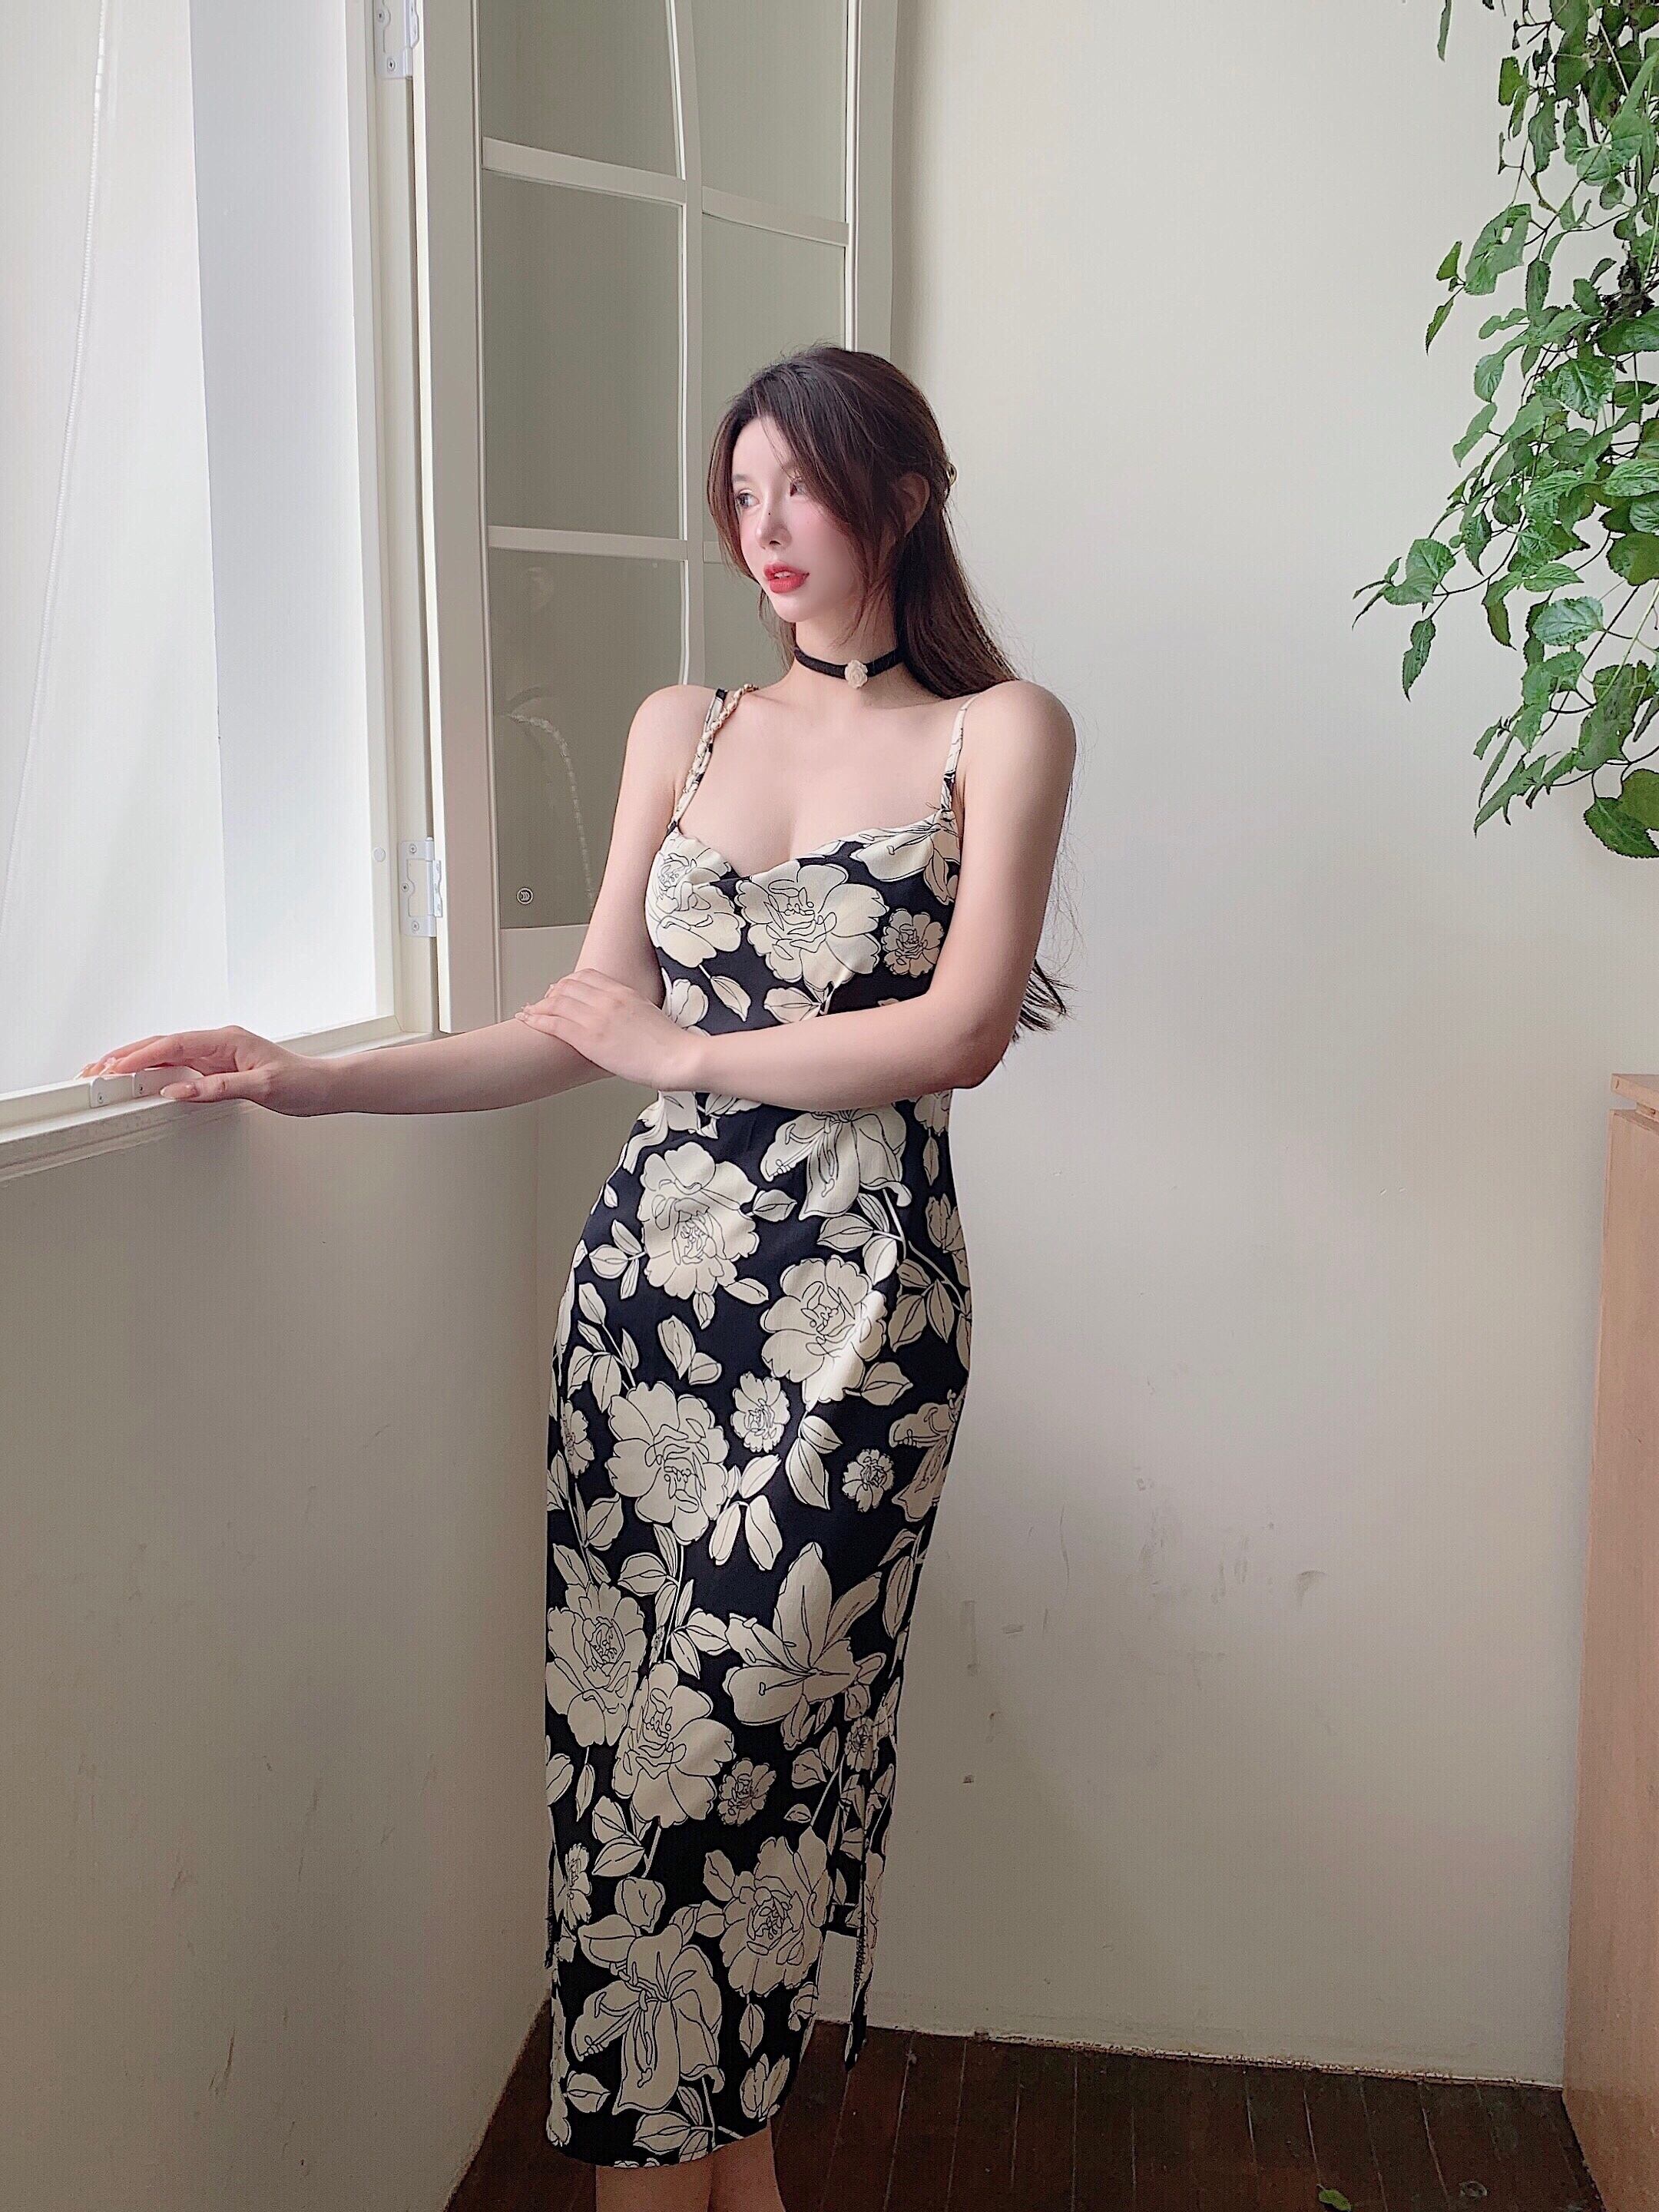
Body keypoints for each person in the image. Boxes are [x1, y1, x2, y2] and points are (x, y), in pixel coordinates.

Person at [78, 343, 1076, 2210]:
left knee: (728, 1765)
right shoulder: (679, 727)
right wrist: (309, 1078)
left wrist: (685, 1055)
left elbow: (959, 1032)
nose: (766, 527)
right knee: (634, 1774)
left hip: (862, 1317)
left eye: (804, 485)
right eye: (742, 492)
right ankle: (732, 2174)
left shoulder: (1000, 731)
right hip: (645, 1313)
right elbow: (577, 1021)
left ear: (906, 494)